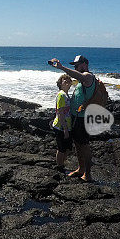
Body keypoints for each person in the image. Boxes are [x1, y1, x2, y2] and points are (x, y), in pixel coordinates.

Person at [50, 54, 96, 182]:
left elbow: (78, 75)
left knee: (84, 146)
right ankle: (80, 169)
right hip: (76, 119)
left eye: (77, 65)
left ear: (85, 64)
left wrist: (61, 67)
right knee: (77, 145)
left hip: (82, 119)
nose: (75, 67)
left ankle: (87, 174)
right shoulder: (82, 80)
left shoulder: (88, 76)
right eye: (74, 66)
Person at [52, 74, 73, 170]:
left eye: (69, 80)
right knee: (61, 149)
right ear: (60, 83)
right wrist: (65, 129)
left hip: (67, 126)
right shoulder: (61, 95)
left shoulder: (66, 94)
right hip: (60, 126)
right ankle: (60, 167)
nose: (67, 81)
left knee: (67, 149)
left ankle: (62, 165)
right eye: (65, 80)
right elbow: (60, 113)